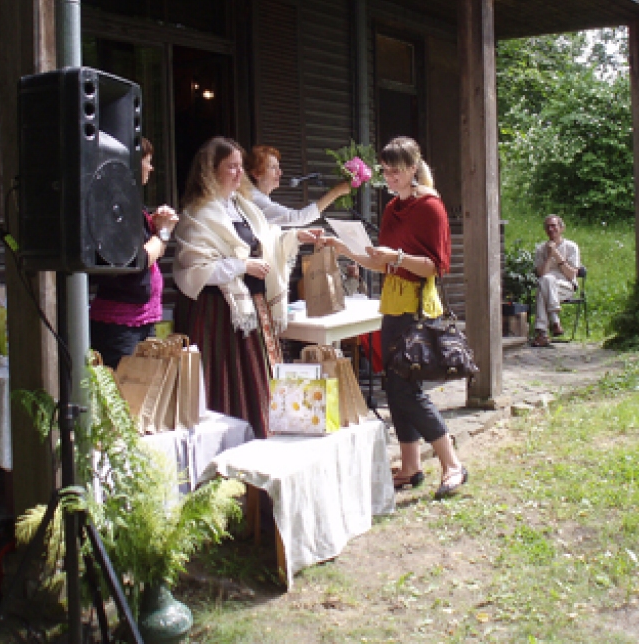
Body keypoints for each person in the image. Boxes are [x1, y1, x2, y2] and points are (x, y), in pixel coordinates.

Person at [318, 136, 467, 499]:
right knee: (394, 387)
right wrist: (345, 249)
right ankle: (412, 465)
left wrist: (397, 257)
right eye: (385, 171)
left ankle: (452, 464)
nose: (389, 177)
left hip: (418, 307)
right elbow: (379, 260)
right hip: (392, 305)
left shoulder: (430, 207)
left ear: (413, 168)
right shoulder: (392, 209)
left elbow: (436, 265)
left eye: (395, 171)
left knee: (408, 390)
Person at [172, 137, 320, 439]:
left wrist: (295, 237)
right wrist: (242, 267)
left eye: (240, 167)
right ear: (210, 171)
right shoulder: (198, 215)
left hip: (253, 309)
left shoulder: (244, 208)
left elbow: (266, 240)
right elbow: (195, 270)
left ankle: (267, 438)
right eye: (231, 167)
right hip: (220, 316)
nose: (239, 174)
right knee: (228, 384)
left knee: (261, 378)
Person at [90, 138, 179, 368]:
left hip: (139, 319)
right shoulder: (116, 205)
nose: (150, 168)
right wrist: (162, 234)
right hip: (120, 324)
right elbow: (136, 259)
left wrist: (158, 226)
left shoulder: (131, 204)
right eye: (147, 162)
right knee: (126, 393)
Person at [245, 145, 352, 226]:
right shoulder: (255, 198)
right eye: (273, 167)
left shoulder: (260, 197)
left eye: (278, 167)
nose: (279, 172)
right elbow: (298, 218)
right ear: (256, 173)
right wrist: (336, 192)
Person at [530, 214, 581, 347]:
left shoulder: (571, 247)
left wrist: (556, 254)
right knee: (546, 281)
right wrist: (548, 256)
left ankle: (542, 333)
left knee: (543, 287)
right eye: (547, 227)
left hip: (565, 287)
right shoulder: (541, 249)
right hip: (549, 288)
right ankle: (554, 322)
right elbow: (542, 274)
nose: (551, 229)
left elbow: (571, 275)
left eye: (554, 226)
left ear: (561, 228)